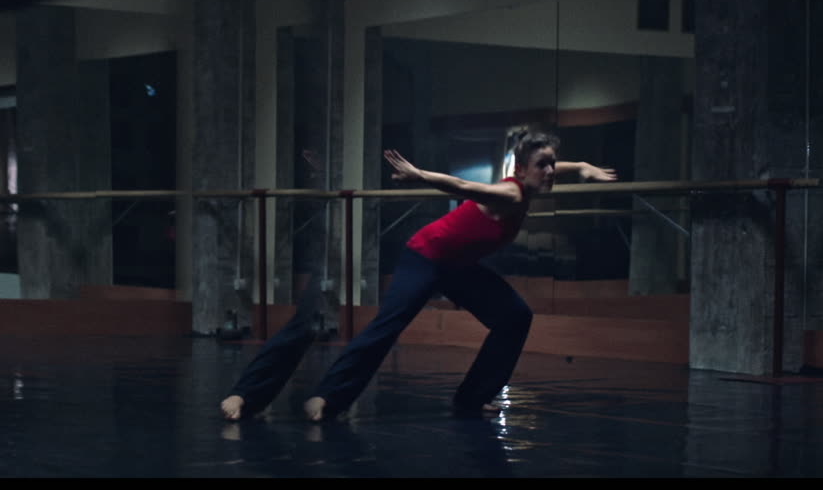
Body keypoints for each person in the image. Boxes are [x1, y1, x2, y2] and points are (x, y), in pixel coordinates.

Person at [221, 130, 617, 422]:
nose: (551, 172)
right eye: (543, 165)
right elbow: (461, 185)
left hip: (458, 267)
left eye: (552, 164)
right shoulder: (510, 194)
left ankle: (471, 398)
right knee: (386, 327)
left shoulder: (533, 182)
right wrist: (421, 175)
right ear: (521, 169)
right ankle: (325, 399)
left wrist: (583, 166)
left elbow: (554, 166)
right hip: (426, 257)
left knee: (514, 316)